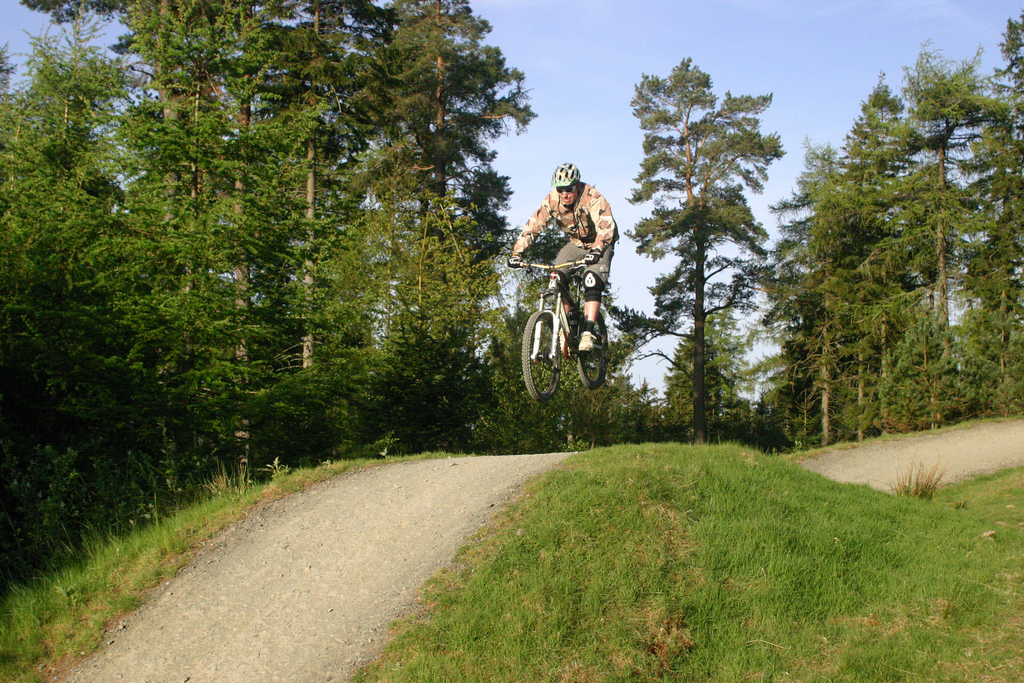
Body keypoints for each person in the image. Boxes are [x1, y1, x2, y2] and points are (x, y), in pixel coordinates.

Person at [507, 163, 618, 352]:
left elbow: (606, 226)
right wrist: (517, 253)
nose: (565, 194)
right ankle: (567, 326)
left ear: (577, 186)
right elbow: (533, 226)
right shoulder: (551, 201)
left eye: (569, 189)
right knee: (556, 276)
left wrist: (598, 249)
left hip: (601, 242)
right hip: (576, 244)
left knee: (591, 280)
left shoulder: (592, 197)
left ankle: (588, 333)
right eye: (561, 190)